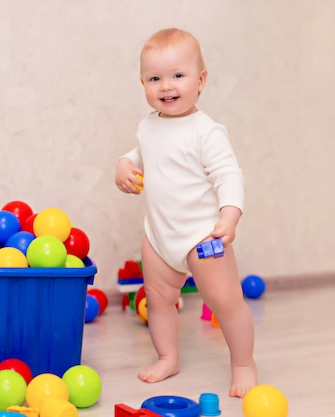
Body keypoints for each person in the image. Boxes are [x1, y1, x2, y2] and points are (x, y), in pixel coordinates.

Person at [115, 28, 257, 398]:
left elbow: (228, 174)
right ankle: (168, 356)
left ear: (200, 80)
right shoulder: (148, 125)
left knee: (225, 302)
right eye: (155, 78)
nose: (167, 86)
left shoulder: (206, 131)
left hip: (201, 236)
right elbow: (140, 154)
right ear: (143, 83)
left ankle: (243, 362)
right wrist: (123, 165)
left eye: (178, 75)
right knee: (158, 298)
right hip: (160, 237)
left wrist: (229, 216)